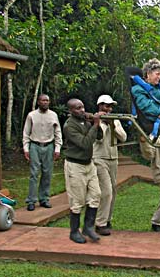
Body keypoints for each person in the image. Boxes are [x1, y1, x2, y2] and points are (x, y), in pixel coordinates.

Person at [62, 98, 105, 244]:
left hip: (89, 164)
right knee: (77, 200)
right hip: (75, 166)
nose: (82, 110)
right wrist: (95, 124)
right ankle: (74, 232)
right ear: (70, 111)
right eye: (77, 108)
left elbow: (99, 137)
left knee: (96, 194)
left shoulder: (86, 122)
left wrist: (95, 124)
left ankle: (88, 227)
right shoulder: (69, 126)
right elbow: (85, 144)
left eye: (83, 107)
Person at [92, 94, 127, 236]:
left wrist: (112, 124)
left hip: (113, 157)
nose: (109, 109)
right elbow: (98, 139)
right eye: (106, 106)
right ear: (100, 106)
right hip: (99, 157)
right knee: (105, 191)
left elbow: (123, 137)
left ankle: (107, 219)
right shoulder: (94, 119)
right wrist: (103, 123)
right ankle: (100, 223)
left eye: (111, 106)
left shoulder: (115, 120)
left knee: (113, 190)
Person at [22, 94, 62, 211]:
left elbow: (58, 132)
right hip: (35, 145)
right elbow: (26, 133)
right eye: (43, 100)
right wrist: (26, 148)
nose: (45, 102)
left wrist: (57, 148)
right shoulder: (32, 115)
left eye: (47, 100)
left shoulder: (53, 115)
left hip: (49, 145)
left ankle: (44, 198)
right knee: (34, 173)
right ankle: (31, 200)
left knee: (47, 173)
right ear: (38, 102)